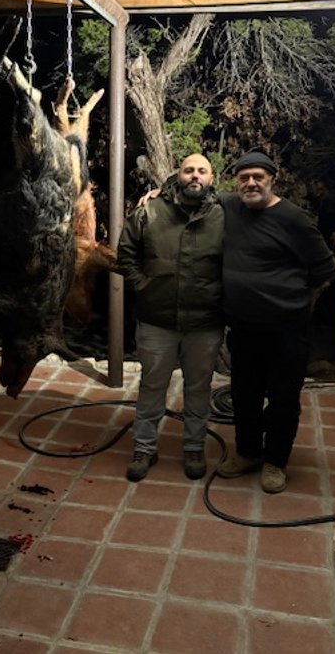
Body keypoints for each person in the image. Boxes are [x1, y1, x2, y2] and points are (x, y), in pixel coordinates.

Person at [216, 150, 335, 493]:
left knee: (284, 398)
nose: (251, 183)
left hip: (287, 330)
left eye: (258, 177)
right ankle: (249, 453)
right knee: (244, 394)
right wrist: (158, 194)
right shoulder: (231, 207)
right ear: (236, 182)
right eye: (244, 177)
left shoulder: (293, 219)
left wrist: (297, 301)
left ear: (272, 179)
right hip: (243, 327)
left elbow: (324, 268)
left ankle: (275, 462)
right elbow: (196, 191)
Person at [117, 154, 224, 482]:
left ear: (211, 177)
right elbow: (126, 253)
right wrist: (143, 286)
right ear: (177, 174)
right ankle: (144, 447)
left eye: (202, 171)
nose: (195, 176)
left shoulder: (226, 215)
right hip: (156, 319)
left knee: (199, 387)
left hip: (205, 321)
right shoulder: (149, 210)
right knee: (152, 385)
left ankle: (193, 447)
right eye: (189, 169)